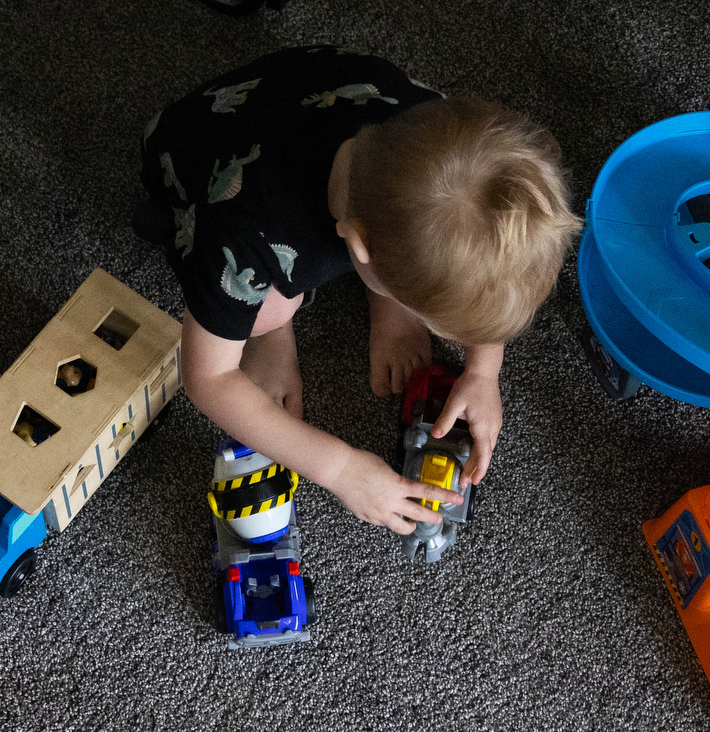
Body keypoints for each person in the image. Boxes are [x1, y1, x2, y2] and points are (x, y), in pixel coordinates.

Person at [135, 46, 579, 530]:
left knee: (421, 243)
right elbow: (209, 380)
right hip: (194, 158)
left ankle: (393, 296)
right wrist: (341, 468)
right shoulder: (245, 239)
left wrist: (483, 371)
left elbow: (483, 250)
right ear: (358, 247)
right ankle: (270, 331)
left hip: (327, 92)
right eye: (425, 311)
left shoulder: (432, 128)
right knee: (268, 311)